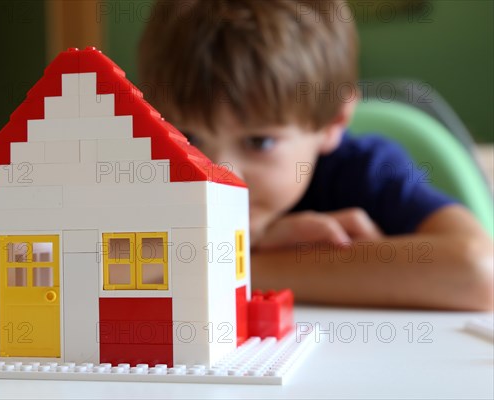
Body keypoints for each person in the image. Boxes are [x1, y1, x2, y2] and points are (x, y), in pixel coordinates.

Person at [137, 0, 493, 309]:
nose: (216, 171)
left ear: (334, 121)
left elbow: (480, 270)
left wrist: (235, 263)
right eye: (187, 135)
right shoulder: (151, 168)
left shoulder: (368, 171)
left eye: (259, 142)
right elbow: (97, 266)